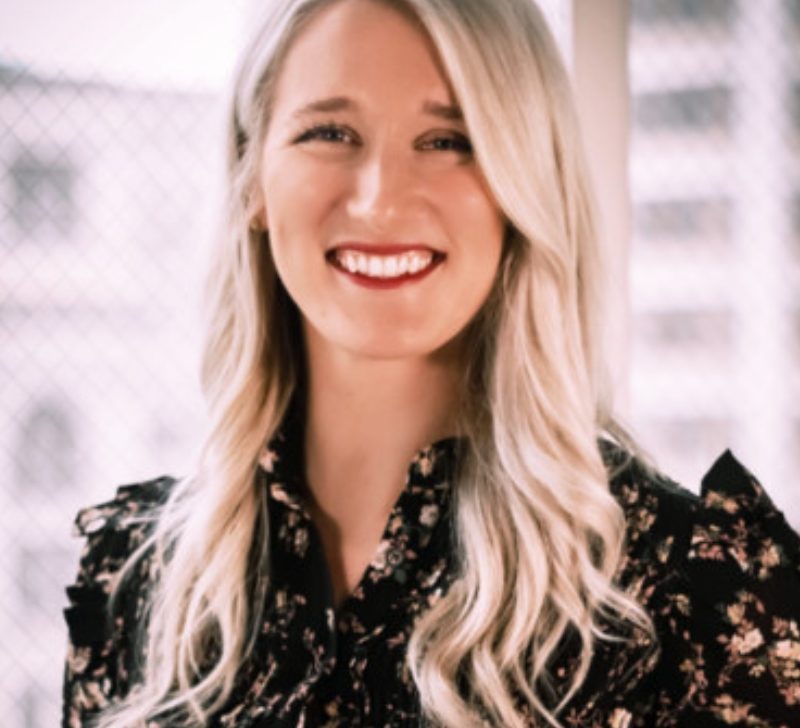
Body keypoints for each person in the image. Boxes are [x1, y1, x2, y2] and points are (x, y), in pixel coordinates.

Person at [61, 0, 800, 726]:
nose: (380, 201)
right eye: (328, 131)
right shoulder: (133, 580)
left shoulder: (694, 601)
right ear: (252, 177)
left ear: (524, 183)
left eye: (449, 140)